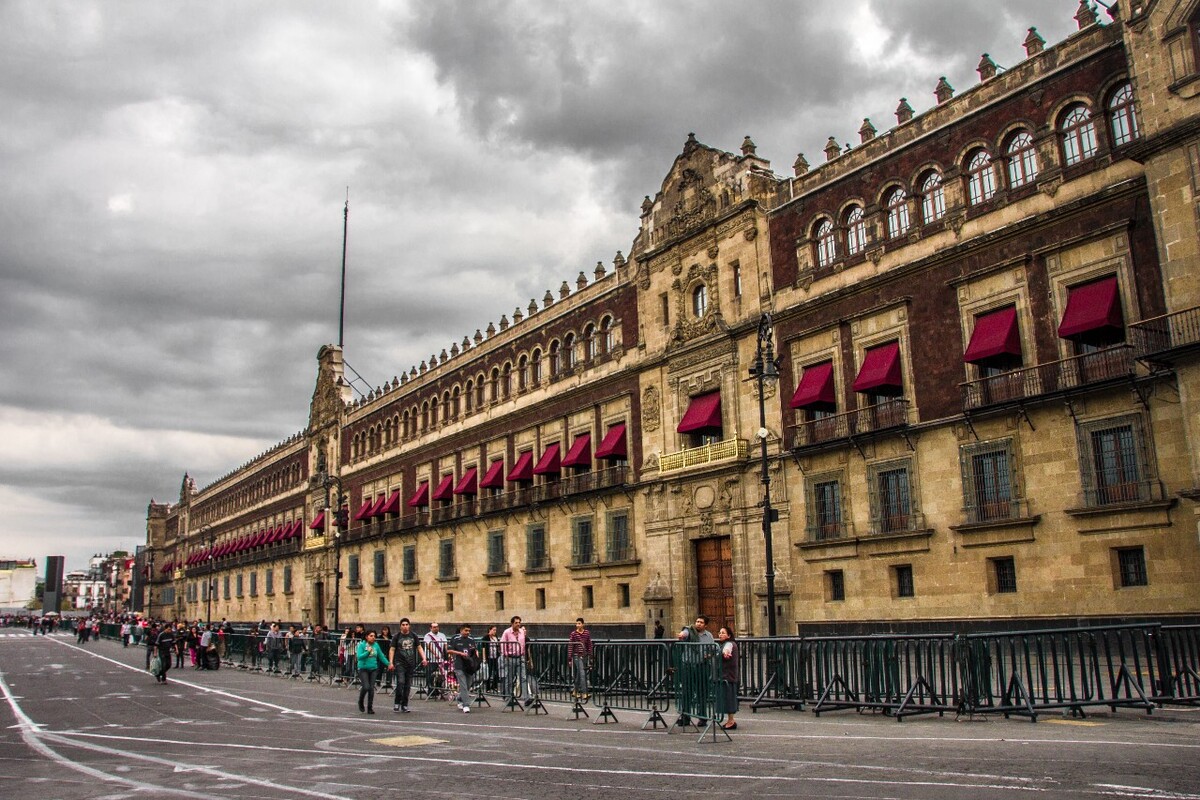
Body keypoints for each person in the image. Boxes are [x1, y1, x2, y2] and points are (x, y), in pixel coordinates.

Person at [675, 615, 714, 726]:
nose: (698, 623)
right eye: (697, 621)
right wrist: (682, 635)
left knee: (702, 693)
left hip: (702, 666)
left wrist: (709, 655)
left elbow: (713, 649)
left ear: (705, 625)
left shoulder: (709, 636)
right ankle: (685, 717)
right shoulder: (689, 631)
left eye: (701, 622)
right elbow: (685, 633)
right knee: (687, 692)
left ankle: (702, 717)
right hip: (688, 666)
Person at [388, 618, 426, 713]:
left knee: (407, 685)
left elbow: (419, 647)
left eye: (406, 624)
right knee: (400, 682)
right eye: (403, 625)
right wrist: (391, 662)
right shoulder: (397, 636)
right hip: (400, 663)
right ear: (400, 626)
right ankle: (397, 702)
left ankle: (404, 704)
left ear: (409, 625)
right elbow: (392, 649)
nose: (405, 626)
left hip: (410, 663)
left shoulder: (413, 636)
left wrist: (424, 658)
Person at [446, 623, 478, 713]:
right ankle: (466, 705)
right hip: (459, 665)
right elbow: (449, 650)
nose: (467, 632)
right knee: (463, 685)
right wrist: (459, 653)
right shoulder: (455, 639)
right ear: (461, 630)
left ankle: (460, 697)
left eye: (469, 631)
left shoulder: (471, 639)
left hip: (469, 666)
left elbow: (474, 650)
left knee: (468, 685)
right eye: (466, 630)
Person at [354, 631, 389, 714]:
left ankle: (370, 707)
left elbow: (381, 656)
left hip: (373, 668)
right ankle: (361, 701)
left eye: (374, 636)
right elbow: (359, 657)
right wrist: (367, 652)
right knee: (366, 686)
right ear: (366, 637)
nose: (373, 637)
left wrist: (389, 664)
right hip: (363, 668)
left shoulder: (376, 645)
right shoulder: (362, 645)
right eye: (371, 636)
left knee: (371, 688)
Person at [499, 615, 529, 707]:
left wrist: (523, 654)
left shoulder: (521, 632)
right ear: (512, 623)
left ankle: (527, 698)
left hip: (520, 657)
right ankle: (508, 697)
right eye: (516, 623)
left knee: (523, 677)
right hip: (510, 657)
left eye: (519, 622)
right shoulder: (507, 632)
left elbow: (523, 644)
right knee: (509, 678)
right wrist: (506, 654)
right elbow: (503, 643)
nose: (518, 624)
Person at [718, 626, 738, 730]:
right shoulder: (726, 644)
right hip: (726, 676)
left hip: (728, 676)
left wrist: (726, 653)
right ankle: (730, 720)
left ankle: (731, 721)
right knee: (727, 697)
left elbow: (727, 650)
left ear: (729, 635)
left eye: (723, 633)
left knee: (729, 698)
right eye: (719, 633)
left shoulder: (729, 644)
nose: (720, 634)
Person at [568, 617, 593, 700]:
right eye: (576, 623)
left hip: (584, 655)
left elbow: (589, 644)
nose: (577, 625)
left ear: (583, 624)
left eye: (579, 623)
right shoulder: (573, 634)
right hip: (576, 656)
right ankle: (585, 693)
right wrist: (569, 658)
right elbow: (571, 645)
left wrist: (590, 655)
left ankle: (575, 691)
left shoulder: (586, 633)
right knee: (582, 673)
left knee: (579, 675)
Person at [422, 622, 448, 698]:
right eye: (434, 627)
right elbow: (429, 645)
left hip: (441, 659)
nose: (436, 628)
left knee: (441, 675)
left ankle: (439, 690)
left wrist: (446, 654)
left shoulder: (442, 635)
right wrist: (435, 654)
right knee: (430, 674)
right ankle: (431, 690)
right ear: (430, 628)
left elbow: (445, 645)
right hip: (432, 659)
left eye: (437, 627)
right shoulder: (427, 636)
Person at [481, 625, 500, 692]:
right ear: (490, 630)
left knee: (496, 672)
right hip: (489, 657)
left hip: (495, 656)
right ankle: (488, 688)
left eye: (495, 630)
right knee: (488, 672)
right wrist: (484, 658)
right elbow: (483, 648)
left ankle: (494, 686)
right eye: (493, 630)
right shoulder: (486, 637)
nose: (495, 631)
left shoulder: (495, 637)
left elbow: (498, 646)